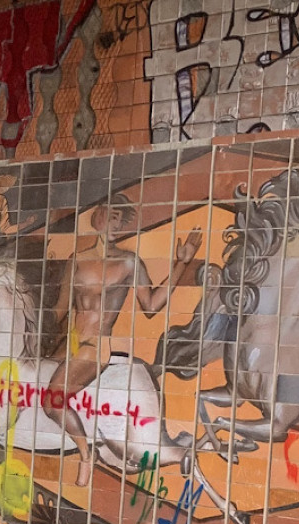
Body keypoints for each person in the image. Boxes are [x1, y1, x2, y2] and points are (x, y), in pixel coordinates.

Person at [44, 195, 202, 486]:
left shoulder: (128, 262)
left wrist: (182, 263)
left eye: (122, 219)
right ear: (99, 216)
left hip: (96, 347)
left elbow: (152, 305)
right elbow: (60, 309)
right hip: (73, 344)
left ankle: (85, 455)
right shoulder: (76, 261)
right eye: (113, 215)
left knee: (53, 400)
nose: (117, 224)